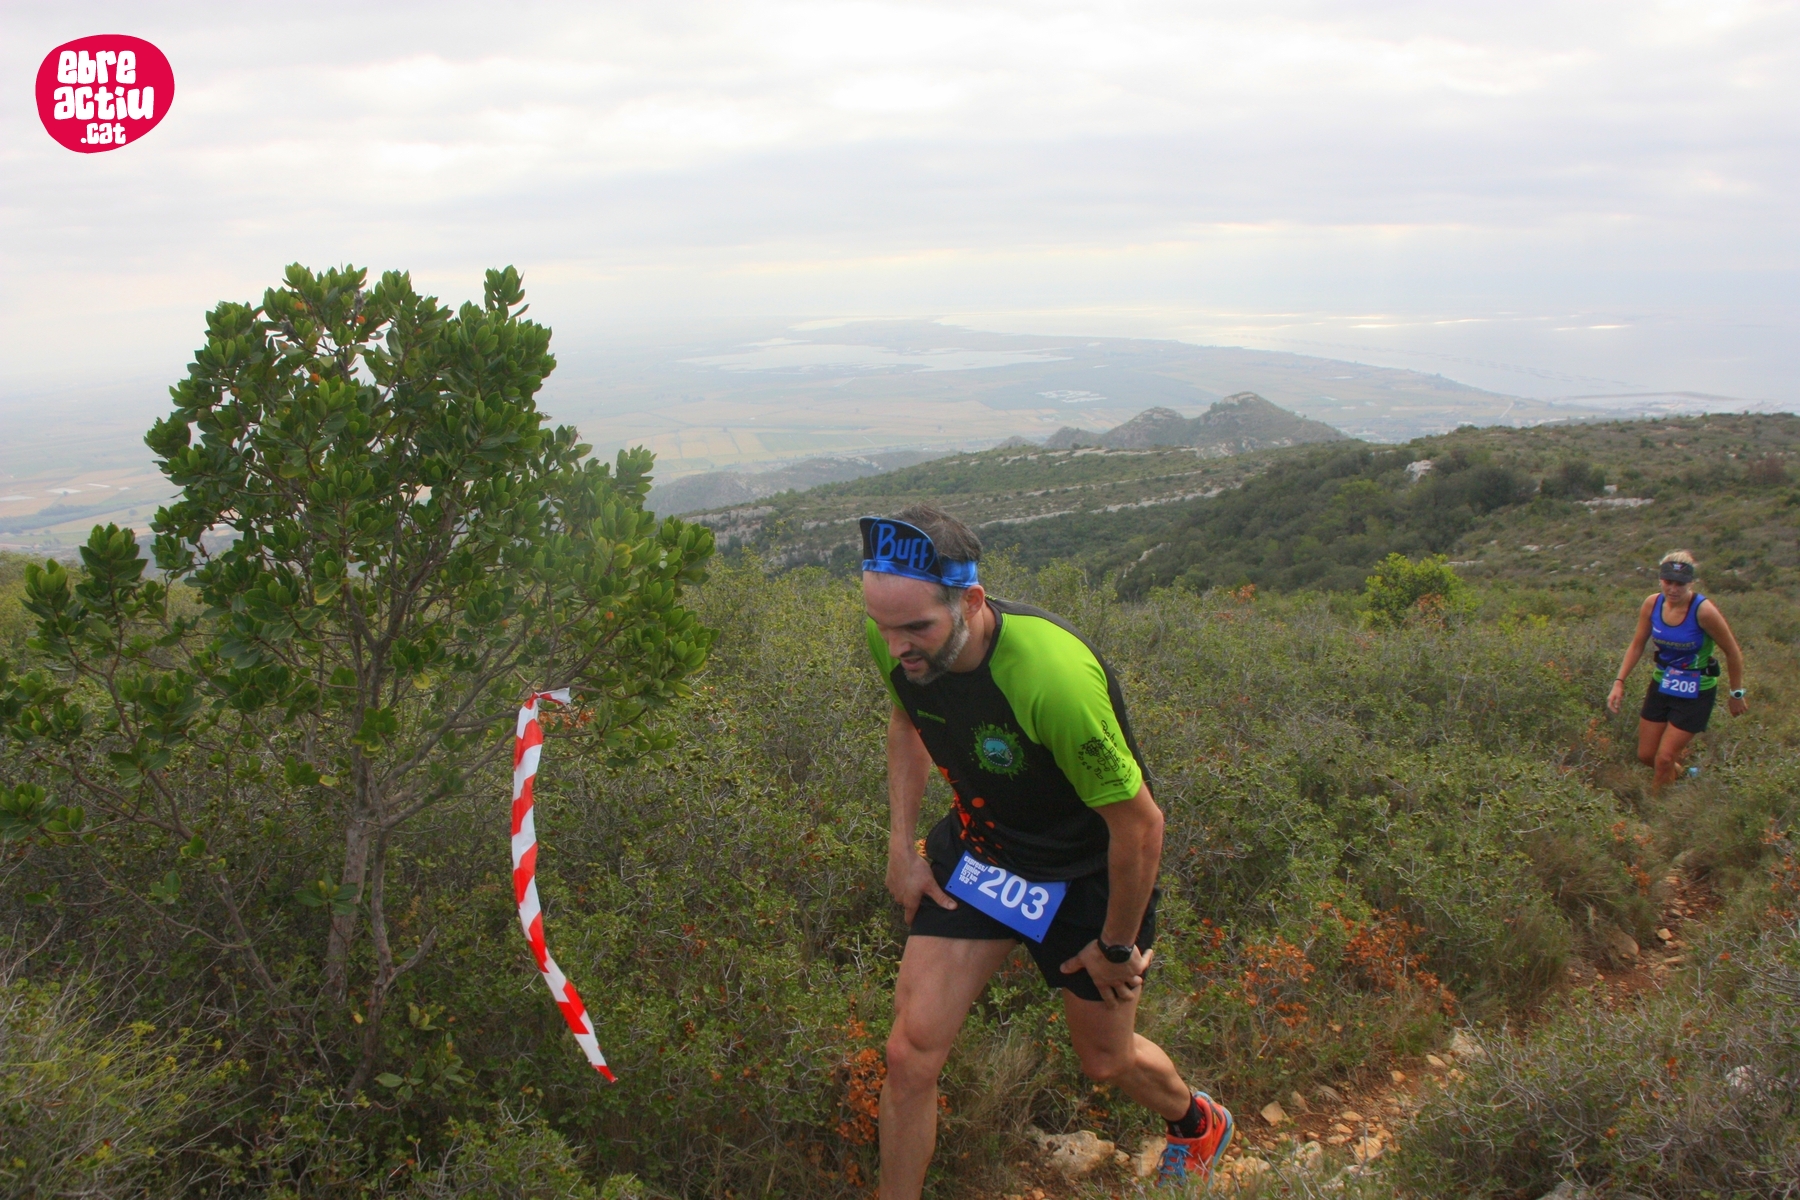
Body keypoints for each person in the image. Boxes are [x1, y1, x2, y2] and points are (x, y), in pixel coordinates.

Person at [859, 503, 1233, 1197]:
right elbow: (907, 724)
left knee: (1106, 1060)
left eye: (916, 628)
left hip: (1083, 878)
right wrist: (901, 849)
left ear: (971, 601)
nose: (897, 646)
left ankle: (1196, 1122)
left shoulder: (1050, 677)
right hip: (984, 855)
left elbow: (1140, 827)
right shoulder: (902, 641)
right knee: (909, 1055)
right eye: (882, 626)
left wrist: (1116, 944)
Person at [1606, 550, 1748, 787]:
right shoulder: (1652, 604)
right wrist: (1619, 682)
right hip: (1662, 684)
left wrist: (1736, 693)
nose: (1673, 589)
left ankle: (1655, 807)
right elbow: (1637, 645)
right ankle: (1683, 775)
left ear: (1691, 583)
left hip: (1697, 690)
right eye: (1668, 582)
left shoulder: (1703, 611)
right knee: (1647, 755)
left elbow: (1733, 652)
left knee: (1664, 758)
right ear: (1660, 580)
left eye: (1680, 584)